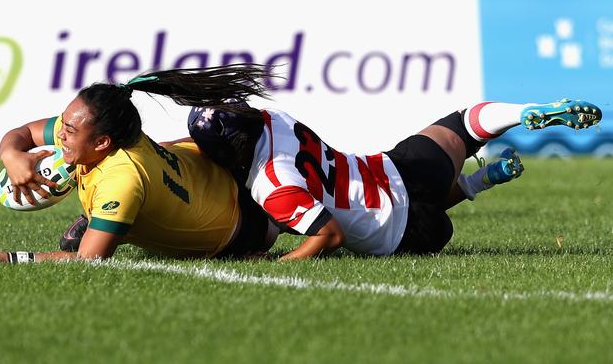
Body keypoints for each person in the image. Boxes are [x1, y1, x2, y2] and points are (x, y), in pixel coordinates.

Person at [185, 87, 602, 259]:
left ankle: (482, 180)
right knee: (465, 122)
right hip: (398, 167)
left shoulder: (271, 184)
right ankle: (522, 114)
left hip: (408, 231)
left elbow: (330, 236)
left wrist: (281, 262)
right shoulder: (272, 118)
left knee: (394, 215)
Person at [0, 65, 278, 264]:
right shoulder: (100, 129)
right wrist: (12, 155)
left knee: (79, 245)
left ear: (102, 143)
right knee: (78, 235)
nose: (60, 134)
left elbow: (89, 259)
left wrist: (7, 257)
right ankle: (110, 218)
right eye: (65, 124)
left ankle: (112, 218)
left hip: (246, 225)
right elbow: (24, 133)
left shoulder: (122, 178)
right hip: (203, 173)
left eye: (70, 132)